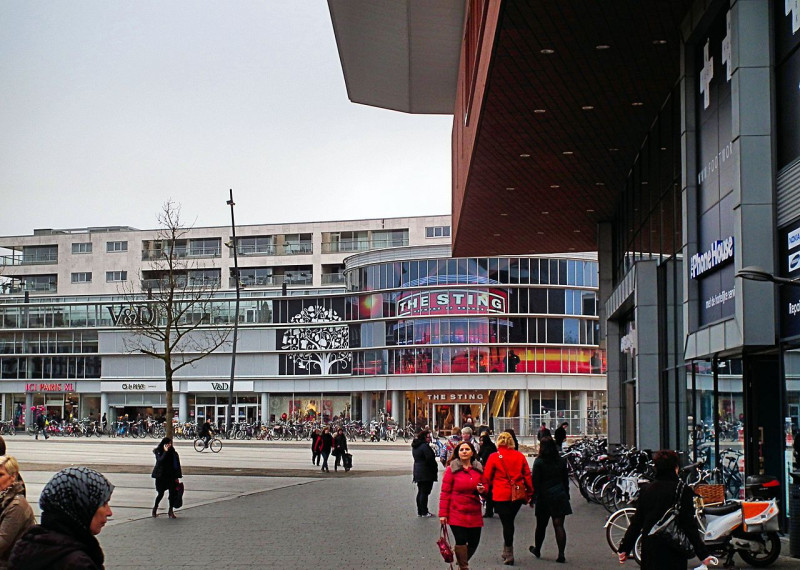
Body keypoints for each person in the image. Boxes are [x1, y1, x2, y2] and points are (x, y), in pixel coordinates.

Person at [618, 450, 714, 569]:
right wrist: (703, 554)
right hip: (673, 547)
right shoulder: (683, 490)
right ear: (676, 467)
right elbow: (689, 525)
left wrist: (625, 548)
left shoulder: (646, 489)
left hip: (650, 548)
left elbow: (637, 522)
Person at [9, 466, 114, 570]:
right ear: (81, 506)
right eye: (104, 504)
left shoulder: (26, 546)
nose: (109, 512)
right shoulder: (77, 562)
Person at [483, 432, 534, 565]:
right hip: (516, 495)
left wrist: (484, 493)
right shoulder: (519, 456)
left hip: (501, 494)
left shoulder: (494, 457)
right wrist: (530, 493)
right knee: (509, 522)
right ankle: (507, 550)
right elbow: (527, 475)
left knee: (507, 523)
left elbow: (487, 477)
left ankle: (509, 551)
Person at [439, 441, 486, 570]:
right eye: (461, 450)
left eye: (467, 449)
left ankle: (460, 562)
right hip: (456, 511)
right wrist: (443, 514)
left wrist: (482, 490)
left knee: (474, 542)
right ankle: (463, 567)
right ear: (458, 453)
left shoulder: (478, 469)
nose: (464, 451)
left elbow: (486, 486)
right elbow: (445, 493)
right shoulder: (451, 469)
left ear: (472, 452)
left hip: (474, 511)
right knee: (460, 540)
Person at [529, 437, 571, 563]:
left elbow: (535, 482)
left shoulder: (539, 462)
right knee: (559, 525)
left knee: (541, 525)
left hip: (544, 496)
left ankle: (537, 549)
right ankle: (561, 554)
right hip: (559, 494)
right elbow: (565, 479)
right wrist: (566, 494)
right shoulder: (561, 461)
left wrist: (533, 498)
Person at [0, 456, 34, 564]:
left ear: (13, 476)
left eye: (0, 475)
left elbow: (2, 543)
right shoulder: (4, 500)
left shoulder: (17, 506)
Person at [151, 437, 182, 519]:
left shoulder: (173, 453)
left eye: (170, 443)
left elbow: (177, 465)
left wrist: (177, 476)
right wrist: (165, 451)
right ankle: (155, 508)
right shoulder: (158, 451)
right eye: (167, 444)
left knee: (172, 494)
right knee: (160, 494)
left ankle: (170, 511)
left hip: (171, 476)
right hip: (161, 476)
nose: (169, 445)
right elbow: (160, 460)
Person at [411, 430, 438, 517]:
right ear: (424, 437)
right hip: (426, 471)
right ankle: (424, 511)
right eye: (428, 437)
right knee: (425, 492)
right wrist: (434, 467)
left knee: (421, 491)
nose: (430, 439)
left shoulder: (416, 446)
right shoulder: (424, 447)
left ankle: (420, 511)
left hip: (418, 470)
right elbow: (430, 459)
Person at [476, 430, 498, 518]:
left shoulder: (487, 449)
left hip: (489, 472)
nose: (480, 442)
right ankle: (493, 508)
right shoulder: (488, 447)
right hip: (490, 472)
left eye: (481, 441)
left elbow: (482, 459)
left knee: (489, 493)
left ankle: (489, 511)